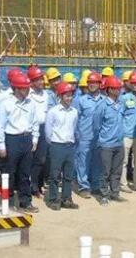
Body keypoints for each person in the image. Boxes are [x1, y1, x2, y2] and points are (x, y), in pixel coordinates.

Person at [0, 73, 39, 213]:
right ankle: (7, 201)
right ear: (16, 88)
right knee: (9, 172)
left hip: (26, 138)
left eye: (27, 88)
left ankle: (25, 202)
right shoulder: (6, 104)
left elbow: (35, 122)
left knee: (25, 173)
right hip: (12, 139)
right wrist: (1, 145)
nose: (27, 90)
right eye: (23, 88)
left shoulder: (31, 103)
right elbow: (0, 126)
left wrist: (34, 139)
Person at [45, 82, 79, 211]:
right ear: (60, 96)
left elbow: (73, 127)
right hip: (57, 145)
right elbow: (48, 132)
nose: (69, 98)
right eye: (67, 96)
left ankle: (67, 199)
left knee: (68, 175)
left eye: (71, 95)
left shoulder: (74, 112)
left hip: (70, 145)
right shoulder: (53, 112)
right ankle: (53, 199)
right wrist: (54, 143)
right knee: (55, 175)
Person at [93, 76, 126, 206]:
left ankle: (115, 193)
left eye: (119, 88)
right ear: (109, 89)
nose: (118, 90)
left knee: (117, 171)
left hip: (119, 143)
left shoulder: (121, 104)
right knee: (105, 171)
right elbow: (96, 125)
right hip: (106, 144)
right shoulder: (102, 106)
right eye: (115, 88)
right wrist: (104, 137)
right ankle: (104, 195)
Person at [73, 71, 104, 198]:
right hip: (84, 136)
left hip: (99, 137)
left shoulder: (104, 101)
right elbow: (75, 119)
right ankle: (83, 187)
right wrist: (76, 134)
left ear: (100, 84)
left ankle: (96, 186)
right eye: (90, 82)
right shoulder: (81, 101)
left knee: (97, 162)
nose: (92, 85)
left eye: (95, 82)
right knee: (83, 163)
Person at [119, 71, 136, 192]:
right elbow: (120, 116)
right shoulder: (124, 98)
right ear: (129, 83)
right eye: (133, 83)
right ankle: (123, 184)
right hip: (126, 134)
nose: (135, 85)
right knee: (124, 160)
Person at [27, 66, 49, 197]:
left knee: (42, 159)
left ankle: (38, 185)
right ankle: (31, 186)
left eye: (41, 79)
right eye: (38, 79)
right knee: (30, 159)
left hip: (43, 128)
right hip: (30, 129)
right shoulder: (27, 94)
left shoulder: (45, 94)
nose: (41, 82)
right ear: (31, 81)